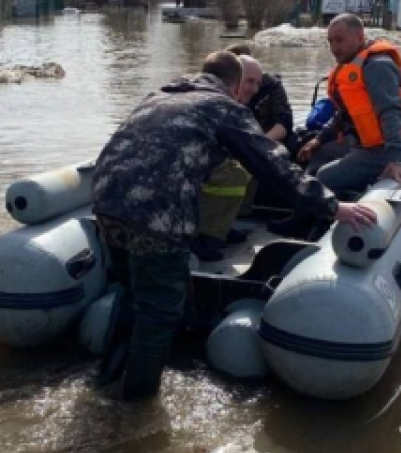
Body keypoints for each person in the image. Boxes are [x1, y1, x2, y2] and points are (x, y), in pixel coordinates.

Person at [92, 51, 380, 400]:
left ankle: (107, 379)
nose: (248, 94)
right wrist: (333, 206)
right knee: (158, 310)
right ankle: (135, 408)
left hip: (106, 201)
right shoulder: (222, 106)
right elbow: (272, 165)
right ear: (232, 84)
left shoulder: (162, 95)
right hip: (155, 214)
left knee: (129, 293)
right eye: (245, 86)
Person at [269, 13, 401, 238]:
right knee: (317, 156)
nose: (333, 47)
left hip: (387, 150)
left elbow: (392, 113)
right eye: (330, 41)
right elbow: (344, 117)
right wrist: (318, 140)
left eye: (339, 40)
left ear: (359, 37)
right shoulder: (353, 66)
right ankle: (315, 218)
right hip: (366, 146)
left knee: (324, 177)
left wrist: (395, 160)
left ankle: (309, 226)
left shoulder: (377, 66)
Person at [226, 45, 296, 153]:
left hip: (271, 142)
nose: (254, 88)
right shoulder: (222, 89)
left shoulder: (270, 85)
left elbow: (285, 121)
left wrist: (259, 143)